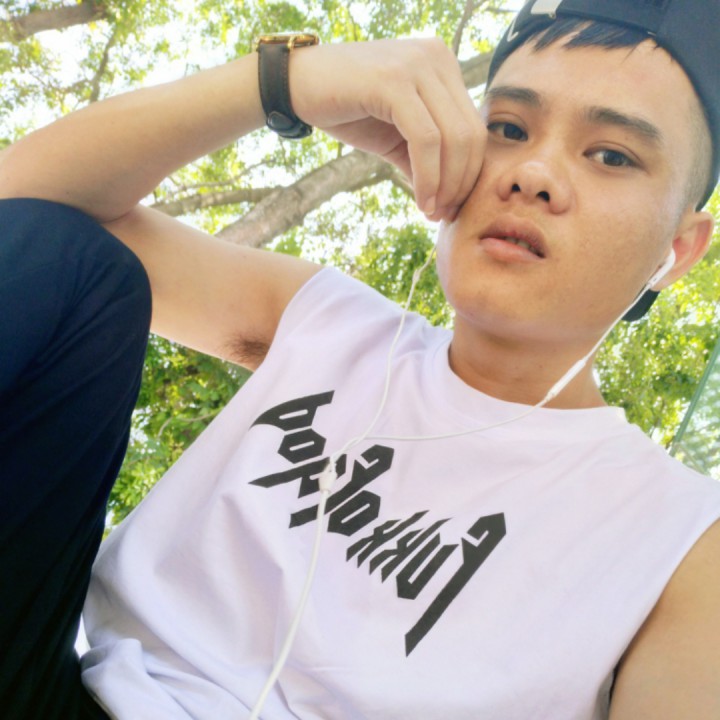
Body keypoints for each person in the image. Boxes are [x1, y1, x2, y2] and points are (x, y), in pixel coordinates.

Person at [1, 0, 719, 717]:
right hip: (49, 692)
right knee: (69, 256)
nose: (532, 173)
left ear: (679, 249)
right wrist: (282, 82)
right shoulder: (327, 325)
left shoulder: (681, 539)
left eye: (612, 156)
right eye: (507, 128)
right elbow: (24, 212)